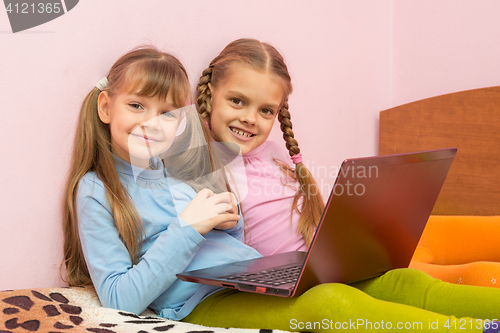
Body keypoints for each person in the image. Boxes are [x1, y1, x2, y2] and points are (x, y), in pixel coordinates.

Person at [187, 38, 500, 332]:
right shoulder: (194, 159)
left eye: (265, 110)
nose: (250, 119)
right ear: (210, 93)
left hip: (303, 271)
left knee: (404, 281)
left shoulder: (270, 153)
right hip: (233, 293)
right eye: (237, 101)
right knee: (332, 301)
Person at [62, 46, 262, 320]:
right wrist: (188, 228)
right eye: (136, 105)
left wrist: (229, 224)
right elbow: (119, 300)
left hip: (253, 279)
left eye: (167, 114)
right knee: (332, 303)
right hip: (203, 300)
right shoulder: (97, 190)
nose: (152, 123)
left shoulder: (179, 174)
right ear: (106, 107)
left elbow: (221, 250)